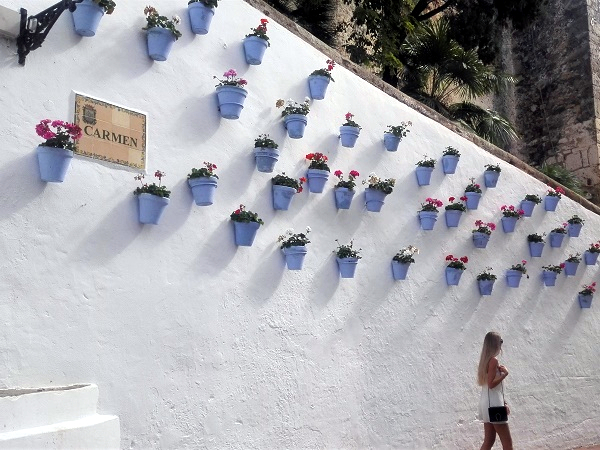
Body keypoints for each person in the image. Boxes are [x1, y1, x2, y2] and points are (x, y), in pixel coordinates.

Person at [477, 331, 513, 450]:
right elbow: (492, 384)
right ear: (495, 344)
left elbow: (490, 387)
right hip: (494, 405)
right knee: (507, 444)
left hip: (487, 404)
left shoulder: (485, 361)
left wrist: (504, 402)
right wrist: (504, 374)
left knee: (489, 440)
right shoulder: (493, 361)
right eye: (500, 341)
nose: (501, 344)